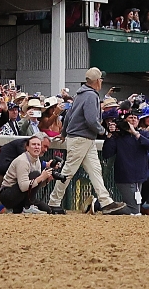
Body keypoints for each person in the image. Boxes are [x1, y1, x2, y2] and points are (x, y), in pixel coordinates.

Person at [45, 67, 126, 214]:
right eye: (101, 79)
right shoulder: (91, 96)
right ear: (97, 81)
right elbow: (91, 120)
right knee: (68, 171)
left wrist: (63, 133)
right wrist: (104, 131)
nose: (102, 81)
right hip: (81, 138)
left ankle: (106, 202)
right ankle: (53, 201)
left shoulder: (80, 94)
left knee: (95, 170)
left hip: (83, 139)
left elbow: (69, 115)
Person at [0, 134, 57, 213]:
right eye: (33, 144)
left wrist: (46, 180)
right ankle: (27, 207)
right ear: (27, 148)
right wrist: (41, 177)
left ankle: (20, 208)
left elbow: (35, 185)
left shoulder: (37, 160)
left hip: (22, 194)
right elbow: (23, 187)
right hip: (8, 194)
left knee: (48, 210)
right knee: (36, 174)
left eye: (38, 145)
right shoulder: (22, 161)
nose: (36, 147)